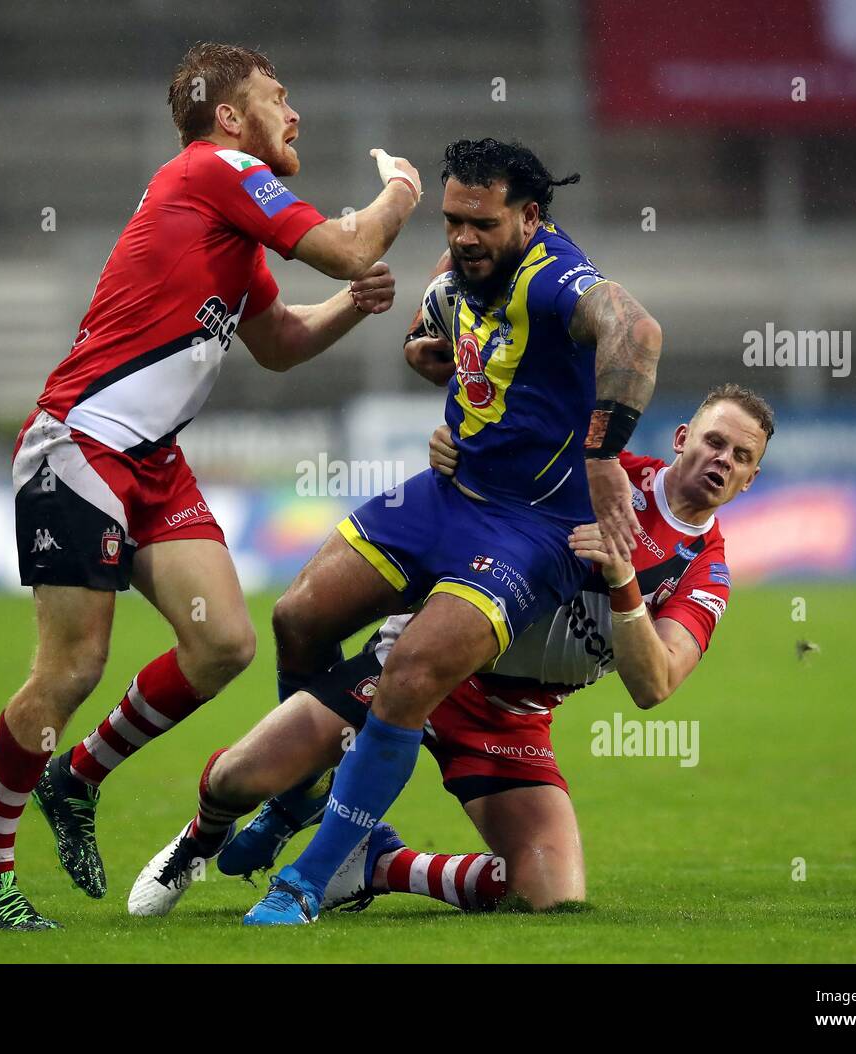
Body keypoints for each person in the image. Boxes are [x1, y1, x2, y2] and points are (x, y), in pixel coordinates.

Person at [0, 42, 423, 930]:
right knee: (73, 668)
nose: (296, 115)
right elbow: (348, 243)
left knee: (223, 647)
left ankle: (78, 775)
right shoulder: (217, 168)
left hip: (153, 462)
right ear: (231, 118)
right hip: (81, 444)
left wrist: (348, 309)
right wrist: (400, 189)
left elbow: (279, 343)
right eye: (280, 98)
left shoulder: (224, 220)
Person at [127, 385, 774, 916]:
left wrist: (624, 582)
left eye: (741, 456)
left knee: (550, 894)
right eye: (715, 440)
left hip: (510, 716)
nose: (723, 459)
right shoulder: (599, 473)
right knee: (237, 777)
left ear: (749, 479)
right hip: (421, 658)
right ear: (683, 437)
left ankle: (380, 865)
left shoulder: (704, 571)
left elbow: (654, 684)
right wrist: (454, 449)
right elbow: (492, 459)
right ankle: (208, 833)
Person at [240, 137, 664, 924]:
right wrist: (424, 355)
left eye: (484, 222)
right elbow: (432, 334)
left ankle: (310, 879)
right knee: (298, 615)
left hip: (531, 529)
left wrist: (603, 456)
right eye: (453, 219)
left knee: (408, 675)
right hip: (450, 491)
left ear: (531, 217)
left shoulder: (556, 278)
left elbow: (636, 333)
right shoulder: (465, 266)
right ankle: (302, 799)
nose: (464, 236)